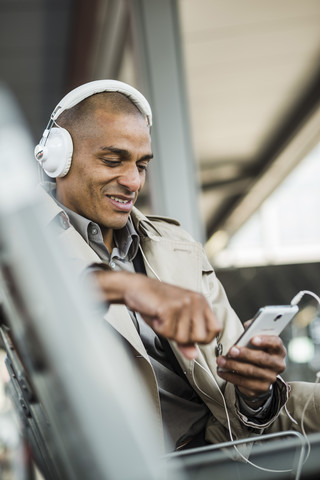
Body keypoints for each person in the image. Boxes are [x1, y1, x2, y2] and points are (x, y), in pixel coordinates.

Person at [35, 79, 319, 452]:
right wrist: (124, 287)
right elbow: (26, 297)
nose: (133, 181)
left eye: (142, 164)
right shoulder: (26, 246)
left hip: (227, 441)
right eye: (112, 160)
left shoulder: (176, 247)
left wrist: (255, 390)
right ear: (57, 159)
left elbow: (234, 402)